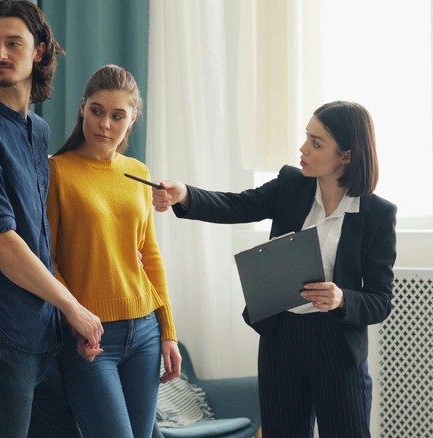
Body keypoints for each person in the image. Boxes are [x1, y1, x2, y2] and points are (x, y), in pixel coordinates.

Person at [152, 101, 397, 438]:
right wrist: (185, 195)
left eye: (316, 142)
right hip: (282, 340)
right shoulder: (291, 185)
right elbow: (237, 204)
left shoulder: (377, 214)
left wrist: (342, 298)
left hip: (337, 347)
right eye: (306, 137)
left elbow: (380, 300)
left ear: (347, 156)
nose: (303, 148)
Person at [0, 1, 104, 436]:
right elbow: (1, 242)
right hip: (1, 333)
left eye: (13, 43)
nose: (0, 54)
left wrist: (64, 316)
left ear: (40, 51)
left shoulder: (39, 130)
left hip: (43, 330)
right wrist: (73, 307)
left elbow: (38, 236)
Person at [47, 64, 182, 438]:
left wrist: (168, 331)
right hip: (91, 338)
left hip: (145, 331)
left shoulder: (138, 172)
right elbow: (49, 259)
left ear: (132, 118)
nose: (104, 124)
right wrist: (74, 318)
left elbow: (150, 256)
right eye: (97, 111)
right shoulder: (57, 171)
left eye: (117, 115)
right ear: (82, 108)